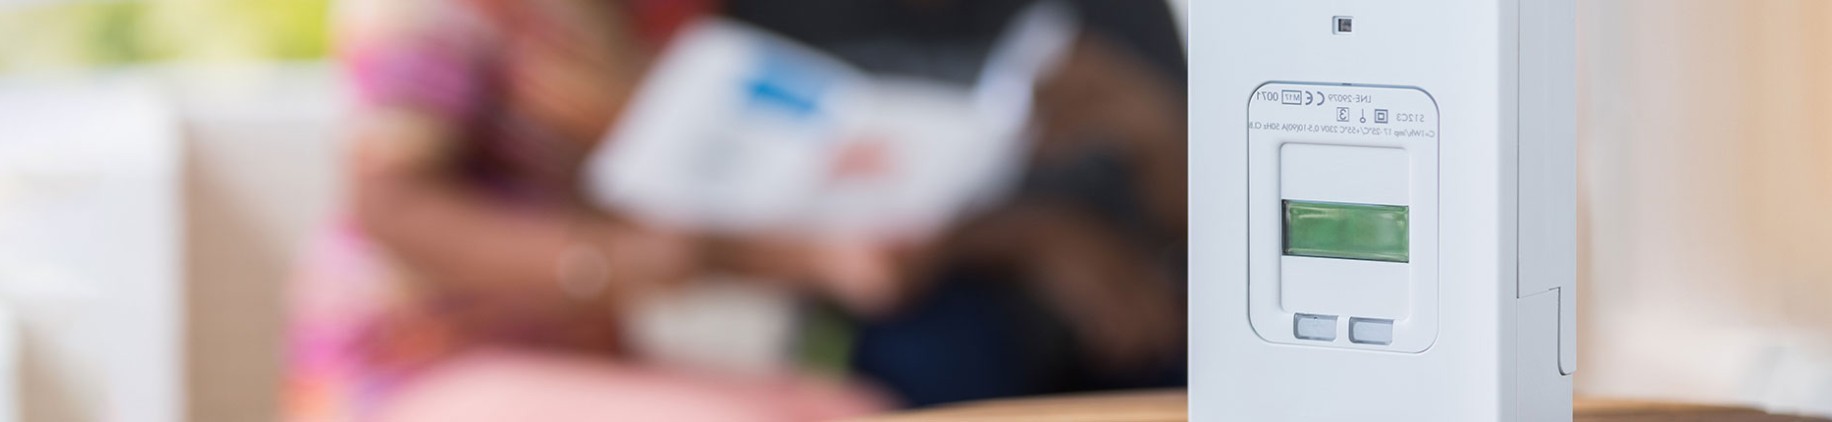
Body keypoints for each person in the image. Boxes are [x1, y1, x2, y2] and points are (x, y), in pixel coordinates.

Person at [284, 0, 1188, 420]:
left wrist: (843, 245)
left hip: (586, 354)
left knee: (849, 408)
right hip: (408, 368)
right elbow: (392, 205)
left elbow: (716, 190)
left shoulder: (659, 18)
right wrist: (620, 262)